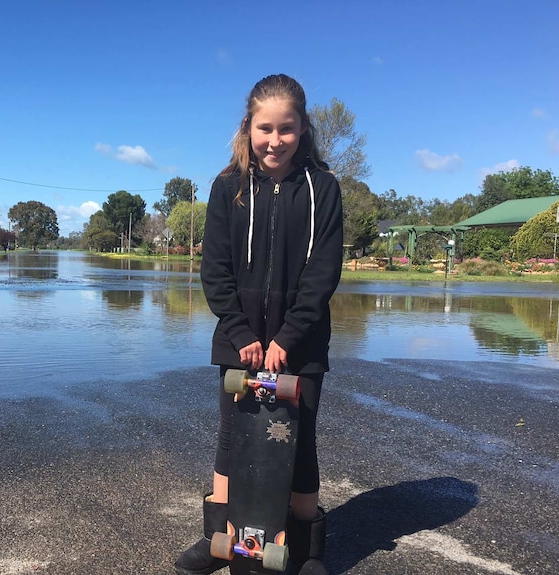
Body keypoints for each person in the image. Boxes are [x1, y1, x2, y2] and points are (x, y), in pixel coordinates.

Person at [174, 74, 343, 575]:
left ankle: (307, 549)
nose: (275, 141)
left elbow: (323, 272)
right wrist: (242, 333)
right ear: (248, 127)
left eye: (286, 129)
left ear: (303, 129)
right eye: (264, 128)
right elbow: (215, 269)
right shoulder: (228, 187)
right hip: (238, 342)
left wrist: (288, 339)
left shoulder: (323, 188)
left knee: (298, 439)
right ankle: (220, 539)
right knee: (233, 438)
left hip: (302, 343)